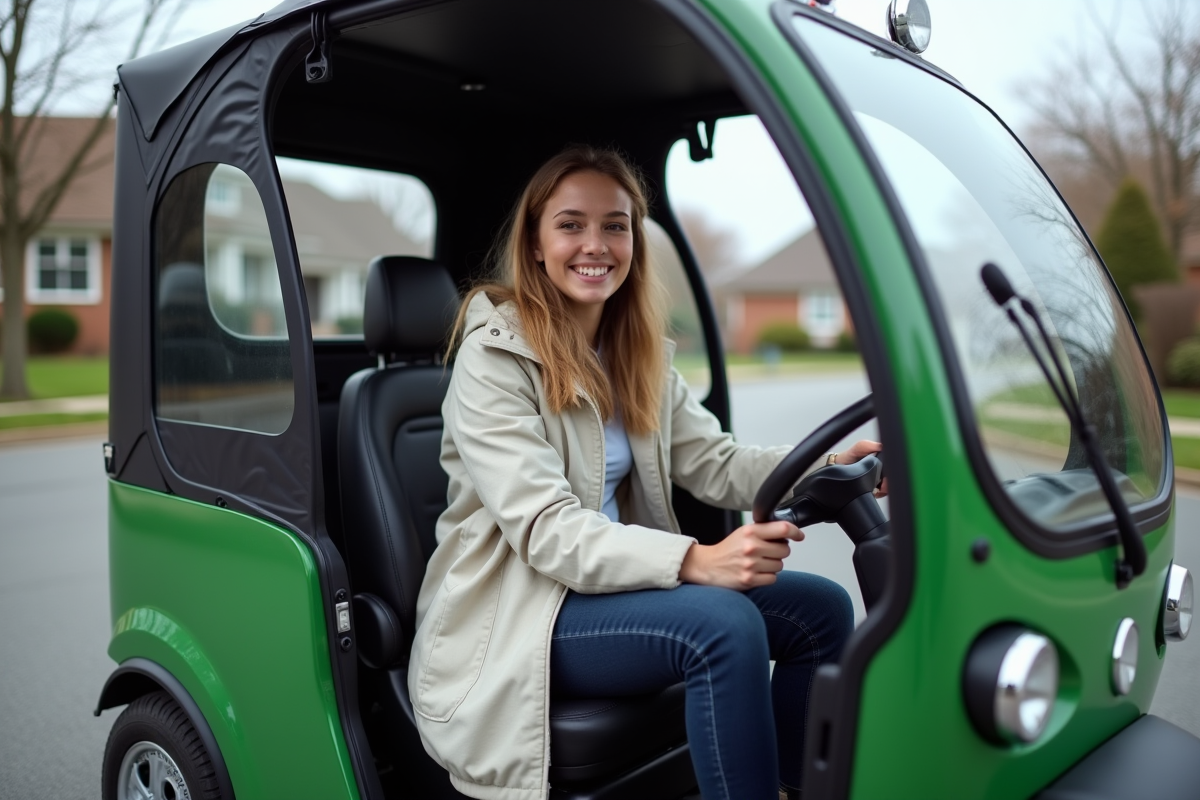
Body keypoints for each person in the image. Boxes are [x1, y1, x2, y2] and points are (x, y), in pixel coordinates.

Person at [409, 145, 884, 800]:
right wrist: (697, 560)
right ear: (537, 244)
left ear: (635, 240)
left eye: (615, 225)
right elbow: (548, 531)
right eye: (571, 224)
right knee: (724, 626)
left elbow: (717, 462)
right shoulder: (494, 361)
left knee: (822, 609)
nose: (595, 244)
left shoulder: (635, 356)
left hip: (609, 589)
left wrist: (825, 467)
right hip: (527, 613)